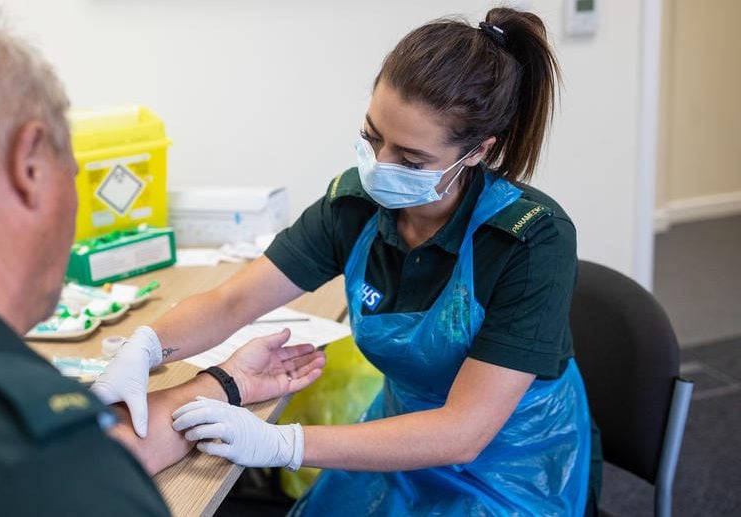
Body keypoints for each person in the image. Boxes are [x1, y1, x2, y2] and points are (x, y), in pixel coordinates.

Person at [0, 2, 324, 515]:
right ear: (30, 167)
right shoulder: (47, 464)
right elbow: (61, 464)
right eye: (73, 168)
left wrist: (222, 384)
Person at [97, 7, 602, 516]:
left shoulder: (530, 242)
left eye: (409, 160)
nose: (379, 167)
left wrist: (286, 445)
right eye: (371, 136)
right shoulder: (355, 205)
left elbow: (463, 432)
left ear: (476, 151)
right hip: (398, 433)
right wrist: (147, 346)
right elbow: (233, 301)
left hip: (510, 463)